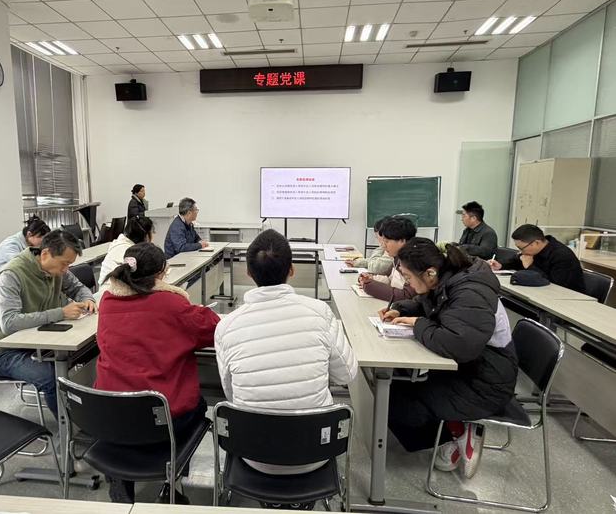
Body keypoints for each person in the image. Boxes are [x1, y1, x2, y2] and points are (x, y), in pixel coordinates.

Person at [215, 229, 358, 482]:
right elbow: (346, 374)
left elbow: (230, 393)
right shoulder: (319, 312)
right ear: (292, 270)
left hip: (253, 452)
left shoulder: (226, 326)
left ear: (248, 273)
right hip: (316, 450)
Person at [96, 242, 219, 504]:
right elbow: (212, 328)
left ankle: (121, 479)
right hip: (162, 421)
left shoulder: (107, 301)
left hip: (110, 416)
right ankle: (171, 482)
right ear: (161, 273)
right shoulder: (170, 303)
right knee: (199, 405)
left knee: (132, 410)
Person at [382, 238, 517, 478]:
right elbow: (429, 304)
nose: (407, 282)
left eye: (408, 276)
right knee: (394, 383)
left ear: (430, 273)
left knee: (396, 402)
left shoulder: (470, 292)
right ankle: (453, 428)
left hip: (485, 383)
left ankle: (454, 438)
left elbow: (458, 345)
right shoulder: (448, 279)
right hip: (469, 369)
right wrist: (401, 309)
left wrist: (419, 324)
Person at [0, 229, 96, 416]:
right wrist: (60, 313)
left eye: (69, 264)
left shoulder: (55, 267)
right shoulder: (11, 274)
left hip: (40, 341)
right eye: (64, 263)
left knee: (92, 349)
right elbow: (9, 323)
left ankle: (89, 413)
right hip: (4, 351)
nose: (66, 269)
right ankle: (71, 427)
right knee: (50, 376)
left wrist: (88, 299)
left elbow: (77, 288)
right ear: (45, 254)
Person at [489, 224, 585, 293]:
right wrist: (501, 265)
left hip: (566, 298)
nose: (521, 252)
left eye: (521, 248)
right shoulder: (532, 250)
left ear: (536, 243)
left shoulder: (562, 256)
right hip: (539, 292)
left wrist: (530, 266)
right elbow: (516, 261)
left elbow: (554, 285)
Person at [358, 216, 417, 301]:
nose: (384, 245)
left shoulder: (414, 261)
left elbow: (406, 295)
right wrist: (372, 278)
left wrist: (369, 286)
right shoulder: (398, 257)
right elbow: (391, 281)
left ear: (402, 241)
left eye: (387, 241)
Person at [97, 216, 154, 286]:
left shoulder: (118, 243)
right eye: (152, 232)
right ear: (146, 236)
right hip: (114, 290)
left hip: (106, 289)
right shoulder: (132, 254)